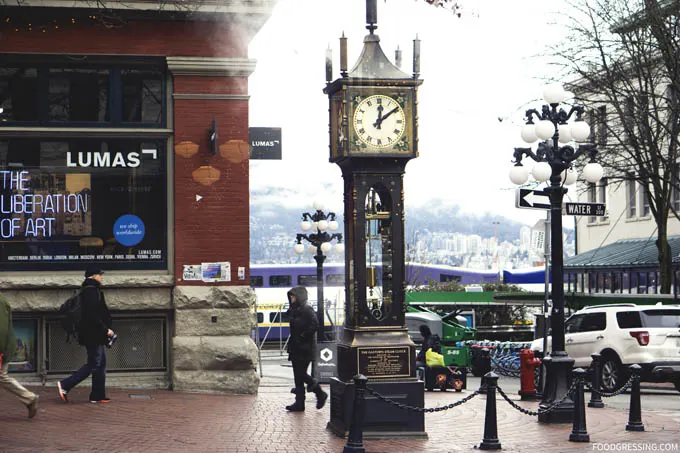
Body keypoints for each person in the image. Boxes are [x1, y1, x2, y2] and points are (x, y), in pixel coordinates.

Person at [57, 266, 114, 404]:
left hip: (94, 333)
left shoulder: (90, 290)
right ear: (94, 276)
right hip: (93, 334)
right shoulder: (91, 291)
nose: (101, 278)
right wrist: (105, 329)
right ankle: (66, 385)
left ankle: (97, 395)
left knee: (100, 363)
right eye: (100, 275)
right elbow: (92, 314)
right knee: (94, 363)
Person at [285, 286, 328, 412]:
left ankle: (320, 393)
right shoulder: (295, 310)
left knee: (301, 374)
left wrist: (304, 335)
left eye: (293, 296)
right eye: (290, 296)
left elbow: (315, 325)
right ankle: (299, 403)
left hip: (305, 348)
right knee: (297, 377)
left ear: (299, 296)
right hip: (295, 347)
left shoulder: (307, 309)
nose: (291, 299)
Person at [0, 293, 39, 418]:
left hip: (2, 347)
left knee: (2, 377)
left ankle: (29, 398)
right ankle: (29, 398)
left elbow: (1, 329)